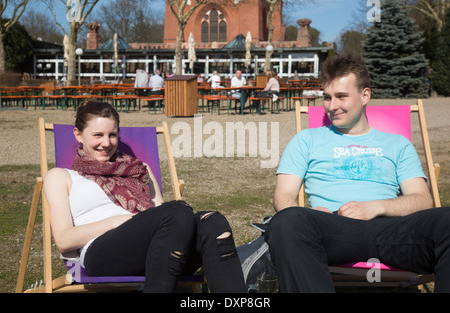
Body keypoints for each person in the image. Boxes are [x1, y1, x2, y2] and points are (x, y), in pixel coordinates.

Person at [265, 54, 450, 293]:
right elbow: (283, 195)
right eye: (327, 98)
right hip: (333, 227)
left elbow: (423, 201)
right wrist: (304, 213)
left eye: (341, 96)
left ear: (365, 95)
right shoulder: (306, 140)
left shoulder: (397, 144)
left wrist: (374, 207)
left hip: (392, 229)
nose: (332, 106)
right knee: (287, 221)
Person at [43, 100, 246, 293]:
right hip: (102, 253)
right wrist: (116, 222)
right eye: (98, 135)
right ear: (78, 135)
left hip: (157, 251)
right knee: (178, 211)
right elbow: (64, 240)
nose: (106, 143)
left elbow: (171, 222)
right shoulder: (61, 176)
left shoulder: (139, 170)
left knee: (213, 223)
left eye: (112, 135)